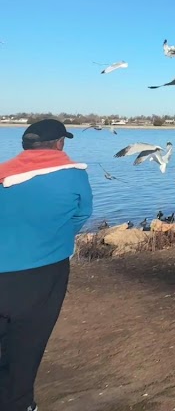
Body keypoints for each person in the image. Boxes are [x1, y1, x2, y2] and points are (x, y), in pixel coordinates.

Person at [0, 119, 93, 411]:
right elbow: (81, 215)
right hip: (42, 273)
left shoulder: (3, 173)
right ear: (59, 143)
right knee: (27, 345)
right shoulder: (74, 176)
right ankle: (18, 404)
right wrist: (55, 237)